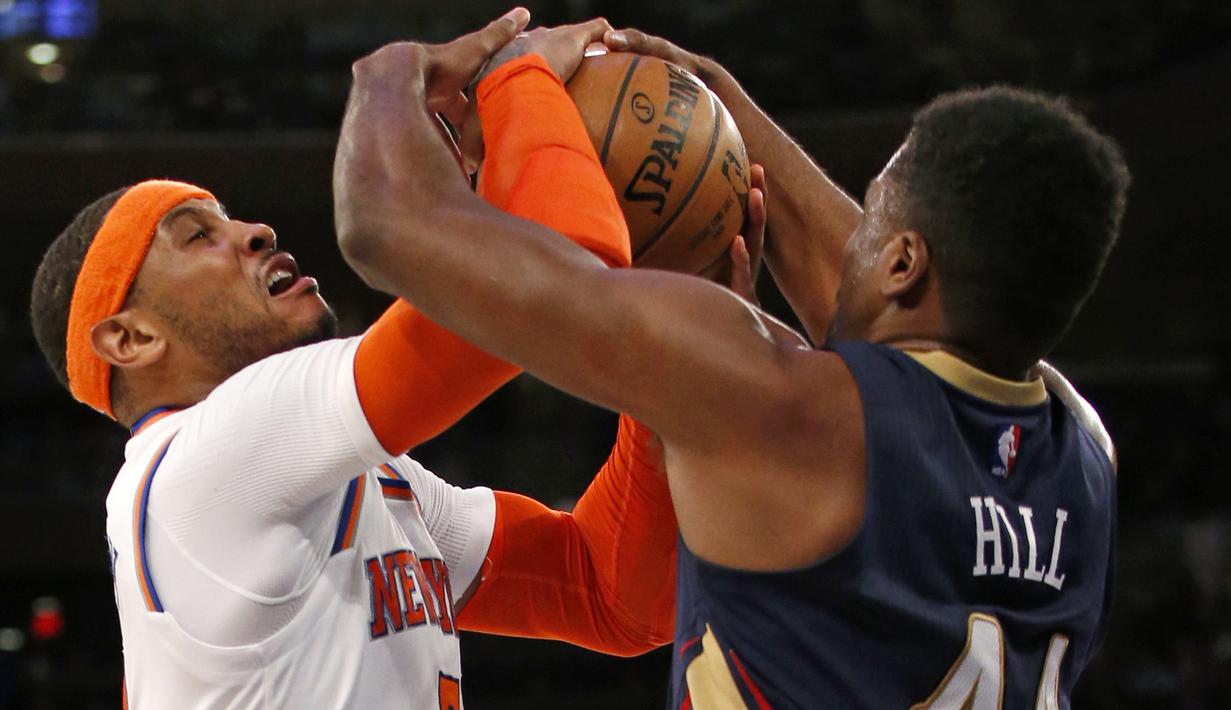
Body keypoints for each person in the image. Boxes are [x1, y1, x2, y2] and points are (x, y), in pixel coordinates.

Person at [333, 19, 1129, 709]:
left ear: (902, 266)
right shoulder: (1084, 453)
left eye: (872, 216)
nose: (844, 238)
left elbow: (387, 221)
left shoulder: (776, 401)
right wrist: (721, 104)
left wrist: (404, 75)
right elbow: (897, 312)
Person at [28, 11, 748, 708]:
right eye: (195, 237)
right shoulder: (207, 458)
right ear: (131, 340)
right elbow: (548, 290)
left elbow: (608, 593)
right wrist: (516, 82)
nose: (253, 230)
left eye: (229, 217)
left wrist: (664, 364)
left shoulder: (345, 480)